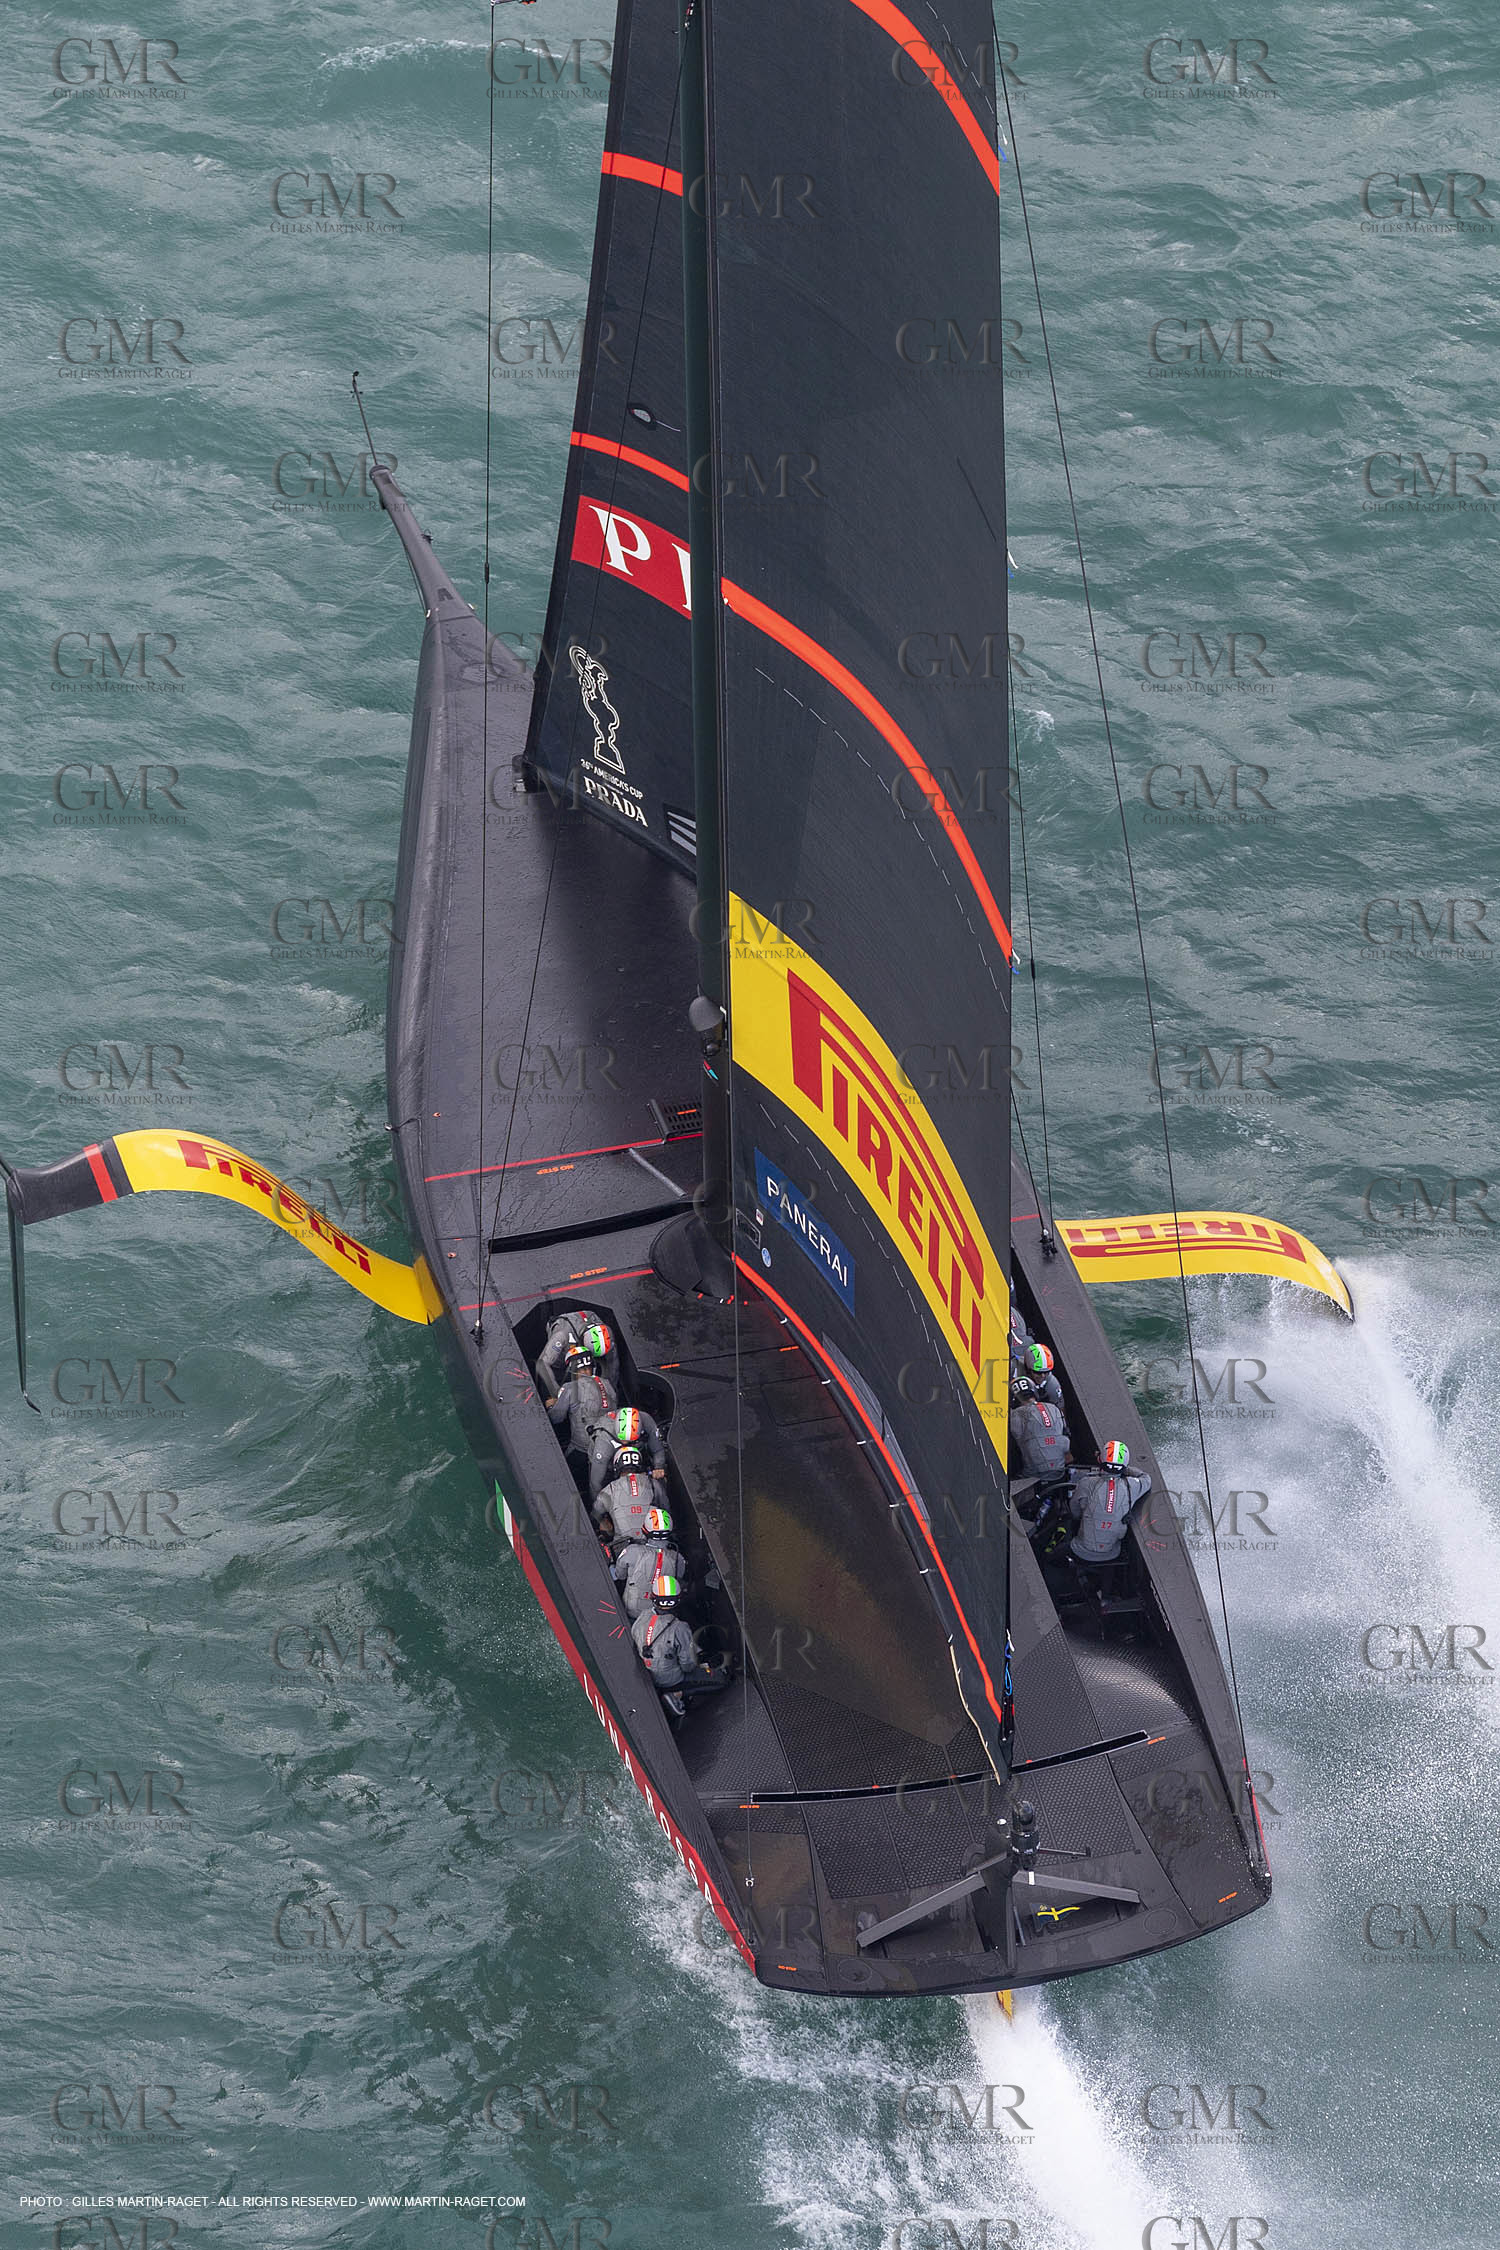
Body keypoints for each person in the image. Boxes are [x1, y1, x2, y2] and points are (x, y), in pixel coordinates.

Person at [631, 1574, 730, 1715]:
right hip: (670, 1679)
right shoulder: (679, 1628)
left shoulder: (643, 1616)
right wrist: (703, 1664)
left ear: (653, 1598)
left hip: (649, 1673)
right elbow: (688, 1665)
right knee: (721, 1679)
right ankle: (676, 1694)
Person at [1065, 1440, 1152, 1568]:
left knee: (1052, 1556)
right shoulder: (1131, 1486)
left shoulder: (1086, 1483)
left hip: (1080, 1551)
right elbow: (1146, 1478)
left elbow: (1074, 1510)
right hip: (1112, 1553)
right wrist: (1124, 1468)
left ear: (1100, 1460)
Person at [612, 1510, 687, 1622]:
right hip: (658, 1618)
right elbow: (677, 1581)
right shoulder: (678, 1558)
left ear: (645, 1530)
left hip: (632, 1611)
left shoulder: (632, 1551)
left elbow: (620, 1575)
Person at [548, 1348, 618, 1462]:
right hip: (610, 1447)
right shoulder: (607, 1384)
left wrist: (552, 1406)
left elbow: (556, 1418)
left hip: (581, 1449)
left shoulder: (569, 1388)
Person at [586, 1404, 668, 1501]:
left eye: (630, 1441)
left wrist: (658, 1467)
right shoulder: (603, 1442)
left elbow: (658, 1449)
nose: (626, 1443)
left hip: (636, 1460)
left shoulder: (646, 1421)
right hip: (607, 1465)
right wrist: (600, 1509)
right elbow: (595, 1483)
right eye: (623, 1441)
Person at [536, 1309, 619, 1397]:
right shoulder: (562, 1334)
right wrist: (557, 1393)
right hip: (563, 1350)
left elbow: (613, 1362)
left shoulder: (606, 1336)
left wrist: (611, 1389)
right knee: (557, 1365)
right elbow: (542, 1363)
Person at [1009, 1391, 1071, 1481]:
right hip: (1059, 1470)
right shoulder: (1053, 1408)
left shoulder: (1017, 1413)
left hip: (1032, 1473)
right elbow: (1065, 1431)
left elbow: (1015, 1435)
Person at [592, 1468, 657, 1548]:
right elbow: (666, 1508)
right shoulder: (653, 1483)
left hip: (622, 1546)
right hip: (652, 1544)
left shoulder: (611, 1488)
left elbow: (597, 1511)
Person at [1015, 1341, 1064, 1409]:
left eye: (1046, 1372)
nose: (1043, 1376)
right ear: (1028, 1368)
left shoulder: (1052, 1385)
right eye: (1038, 1372)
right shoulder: (1013, 1368)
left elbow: (1060, 1410)